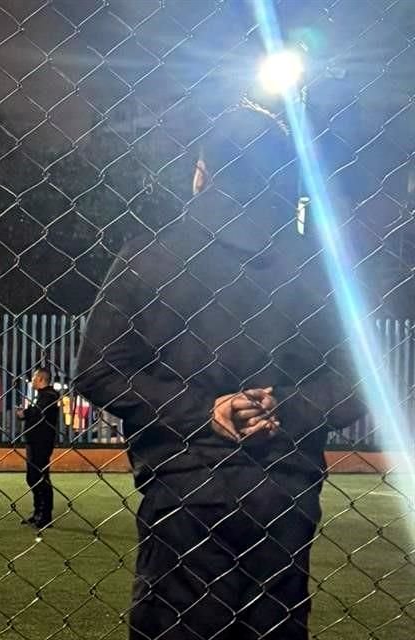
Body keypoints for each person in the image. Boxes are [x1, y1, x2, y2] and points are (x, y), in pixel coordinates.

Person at [74, 102, 366, 640]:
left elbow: (98, 371)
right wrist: (284, 407)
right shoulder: (316, 268)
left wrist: (203, 412)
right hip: (283, 488)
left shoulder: (150, 256)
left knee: (178, 626)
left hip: (184, 485)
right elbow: (356, 384)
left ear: (203, 173)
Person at [16, 367, 60, 530]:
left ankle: (45, 515)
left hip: (41, 442)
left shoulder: (49, 395)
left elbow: (38, 412)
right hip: (34, 441)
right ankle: (38, 512)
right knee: (33, 477)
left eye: (34, 377)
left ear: (41, 379)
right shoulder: (44, 396)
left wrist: (24, 414)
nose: (32, 380)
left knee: (40, 477)